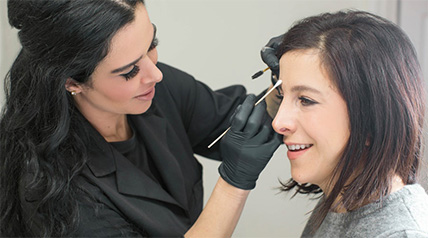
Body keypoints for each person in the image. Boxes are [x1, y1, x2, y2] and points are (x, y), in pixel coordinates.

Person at [0, 0, 281, 236]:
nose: (155, 74)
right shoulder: (55, 193)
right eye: (129, 71)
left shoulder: (154, 88)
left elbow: (236, 125)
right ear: (72, 82)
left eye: (151, 44)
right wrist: (233, 183)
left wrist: (284, 84)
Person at [263, 10, 428, 237]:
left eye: (306, 100)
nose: (278, 122)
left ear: (371, 118)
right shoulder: (341, 200)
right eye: (282, 95)